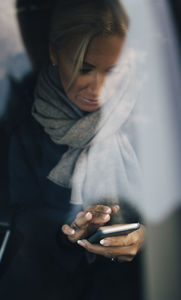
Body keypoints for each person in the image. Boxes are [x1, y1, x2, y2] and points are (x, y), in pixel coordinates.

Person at [0, 0, 145, 299]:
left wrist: (147, 238)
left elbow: (176, 205)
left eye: (113, 71)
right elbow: (22, 214)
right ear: (54, 54)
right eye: (84, 68)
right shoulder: (24, 118)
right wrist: (70, 228)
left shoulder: (151, 118)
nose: (99, 88)